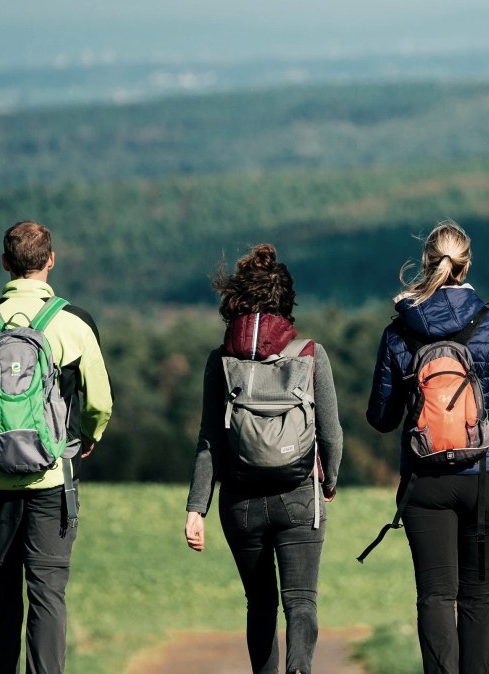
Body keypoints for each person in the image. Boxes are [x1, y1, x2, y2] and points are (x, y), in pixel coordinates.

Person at [365, 220, 489, 674]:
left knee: (436, 595)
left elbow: (381, 418)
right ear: (467, 264)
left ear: (426, 263)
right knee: (478, 597)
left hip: (425, 482)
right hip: (486, 479)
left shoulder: (400, 331)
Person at [0, 220, 114, 674]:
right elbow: (101, 401)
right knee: (47, 595)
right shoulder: (74, 323)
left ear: (5, 263)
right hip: (53, 481)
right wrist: (88, 436)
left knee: (1, 593)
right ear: (50, 260)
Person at [185, 243, 343, 674]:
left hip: (240, 502)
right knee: (302, 602)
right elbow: (331, 432)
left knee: (260, 604)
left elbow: (209, 439)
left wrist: (196, 508)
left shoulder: (221, 360)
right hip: (298, 496)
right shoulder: (311, 354)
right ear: (286, 301)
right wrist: (327, 484)